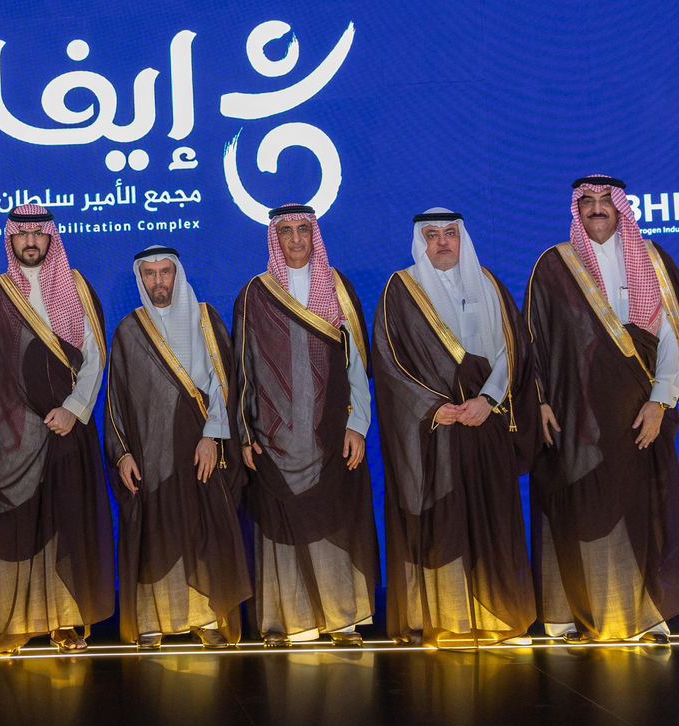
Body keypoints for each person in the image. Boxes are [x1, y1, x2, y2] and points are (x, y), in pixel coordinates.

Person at [527, 176, 679, 643]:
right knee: (579, 508)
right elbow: (534, 339)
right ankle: (576, 616)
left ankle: (646, 615)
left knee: (639, 507)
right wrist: (540, 400)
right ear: (577, 210)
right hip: (574, 414)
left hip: (637, 411)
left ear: (621, 209)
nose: (597, 208)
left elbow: (669, 340)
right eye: (588, 202)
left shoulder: (653, 260)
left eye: (606, 201)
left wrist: (660, 401)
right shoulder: (554, 265)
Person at [373, 210, 538, 646]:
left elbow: (512, 352)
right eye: (432, 235)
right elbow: (389, 364)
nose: (443, 242)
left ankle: (497, 617)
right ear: (420, 242)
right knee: (441, 524)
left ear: (462, 238)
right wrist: (433, 407)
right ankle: (446, 619)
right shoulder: (401, 289)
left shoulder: (489, 284)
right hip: (435, 432)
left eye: (450, 233)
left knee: (491, 519)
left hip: (485, 423)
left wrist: (489, 399)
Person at [0, 205, 114, 655]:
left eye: (38, 233)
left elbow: (95, 357)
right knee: (16, 529)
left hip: (66, 430)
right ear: (10, 239)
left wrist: (74, 409)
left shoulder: (77, 286)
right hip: (11, 437)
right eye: (22, 234)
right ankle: (14, 623)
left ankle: (64, 623)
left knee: (65, 527)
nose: (30, 241)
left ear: (51, 238)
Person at [231, 204, 379, 647]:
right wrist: (245, 434)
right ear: (274, 238)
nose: (296, 239)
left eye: (303, 230)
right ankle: (285, 623)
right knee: (279, 532)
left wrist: (358, 425)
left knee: (334, 524)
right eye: (286, 231)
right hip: (272, 439)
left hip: (331, 435)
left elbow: (358, 367)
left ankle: (343, 621)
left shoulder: (337, 289)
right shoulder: (255, 294)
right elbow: (242, 372)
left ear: (314, 235)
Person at [105, 245, 250, 649]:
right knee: (157, 536)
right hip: (149, 456)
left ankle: (206, 618)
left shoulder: (205, 319)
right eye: (150, 274)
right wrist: (122, 453)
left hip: (201, 451)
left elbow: (224, 385)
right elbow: (115, 400)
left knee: (203, 534)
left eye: (165, 272)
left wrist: (212, 437)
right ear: (141, 278)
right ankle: (153, 621)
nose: (158, 281)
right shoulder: (129, 330)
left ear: (177, 274)